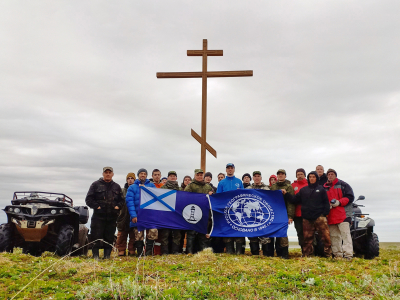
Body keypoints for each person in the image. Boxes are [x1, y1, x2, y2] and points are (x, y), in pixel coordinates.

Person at [286, 171, 331, 257]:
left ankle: (328, 254)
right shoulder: (303, 190)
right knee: (307, 238)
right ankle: (308, 255)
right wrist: (286, 194)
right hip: (307, 218)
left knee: (325, 237)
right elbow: (294, 199)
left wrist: (324, 214)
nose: (312, 178)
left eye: (313, 177)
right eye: (310, 177)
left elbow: (326, 203)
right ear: (308, 178)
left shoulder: (321, 189)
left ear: (316, 178)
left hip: (319, 217)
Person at [85, 167, 123, 259]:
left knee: (109, 237)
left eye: (110, 172)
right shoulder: (95, 185)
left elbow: (122, 200)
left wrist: (118, 206)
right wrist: (96, 206)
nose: (108, 174)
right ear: (103, 174)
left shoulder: (116, 186)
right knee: (96, 236)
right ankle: (96, 256)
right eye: (106, 172)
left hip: (112, 217)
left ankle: (107, 256)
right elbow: (88, 199)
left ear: (112, 174)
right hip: (98, 217)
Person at [324, 168, 354, 260]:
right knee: (334, 237)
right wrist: (326, 205)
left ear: (335, 175)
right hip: (331, 216)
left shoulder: (343, 185)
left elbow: (350, 197)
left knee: (346, 236)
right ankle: (337, 255)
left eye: (332, 174)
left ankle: (348, 255)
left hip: (343, 215)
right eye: (328, 174)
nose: (330, 176)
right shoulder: (324, 187)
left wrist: (339, 202)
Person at [125, 168, 157, 256]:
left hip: (150, 215)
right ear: (138, 175)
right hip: (138, 215)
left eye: (144, 174)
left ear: (147, 175)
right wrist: (133, 215)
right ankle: (140, 253)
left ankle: (148, 253)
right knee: (139, 235)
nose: (143, 175)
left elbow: (156, 199)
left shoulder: (152, 186)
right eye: (141, 173)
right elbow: (130, 202)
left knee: (153, 232)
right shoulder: (132, 187)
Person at [217, 163, 245, 254]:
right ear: (226, 170)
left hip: (237, 211)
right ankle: (229, 251)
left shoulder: (239, 181)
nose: (230, 170)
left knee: (238, 229)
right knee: (227, 229)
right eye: (228, 168)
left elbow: (244, 196)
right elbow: (218, 196)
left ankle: (239, 251)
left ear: (234, 170)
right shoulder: (222, 183)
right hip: (226, 211)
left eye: (231, 168)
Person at [184, 169, 213, 254]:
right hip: (192, 213)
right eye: (198, 175)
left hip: (204, 213)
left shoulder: (208, 186)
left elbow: (212, 199)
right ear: (195, 176)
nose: (200, 176)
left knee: (203, 233)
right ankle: (189, 252)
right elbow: (185, 197)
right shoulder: (190, 186)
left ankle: (203, 252)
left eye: (201, 175)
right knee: (191, 233)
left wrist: (211, 195)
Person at [269, 169, 295, 259]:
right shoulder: (273, 187)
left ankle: (284, 254)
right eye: (279, 174)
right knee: (273, 233)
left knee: (283, 234)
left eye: (282, 174)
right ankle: (275, 253)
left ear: (285, 176)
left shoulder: (289, 187)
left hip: (283, 214)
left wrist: (290, 216)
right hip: (274, 215)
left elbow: (290, 203)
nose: (280, 176)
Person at [157, 171, 183, 255]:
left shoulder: (180, 189)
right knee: (165, 234)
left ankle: (175, 251)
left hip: (176, 214)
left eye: (174, 176)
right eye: (171, 176)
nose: (172, 177)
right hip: (166, 214)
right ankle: (165, 251)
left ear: (176, 178)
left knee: (177, 234)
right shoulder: (163, 188)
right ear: (168, 178)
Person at [246, 171, 271, 256]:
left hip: (263, 217)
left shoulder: (267, 189)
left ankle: (266, 256)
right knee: (253, 237)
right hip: (252, 217)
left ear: (261, 178)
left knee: (265, 237)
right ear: (253, 178)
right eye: (255, 176)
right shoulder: (248, 189)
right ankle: (255, 255)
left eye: (258, 176)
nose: (257, 178)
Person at [116, 172, 136, 256]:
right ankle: (121, 250)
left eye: (132, 178)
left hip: (133, 215)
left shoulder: (136, 190)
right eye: (128, 178)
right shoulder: (122, 191)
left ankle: (132, 249)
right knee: (121, 234)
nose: (130, 180)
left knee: (133, 234)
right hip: (123, 215)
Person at [291, 168, 308, 251]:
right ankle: (303, 250)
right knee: (300, 233)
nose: (300, 176)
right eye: (298, 174)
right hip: (297, 214)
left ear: (304, 175)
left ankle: (311, 251)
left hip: (308, 214)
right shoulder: (293, 185)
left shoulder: (309, 184)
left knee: (309, 233)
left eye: (301, 174)